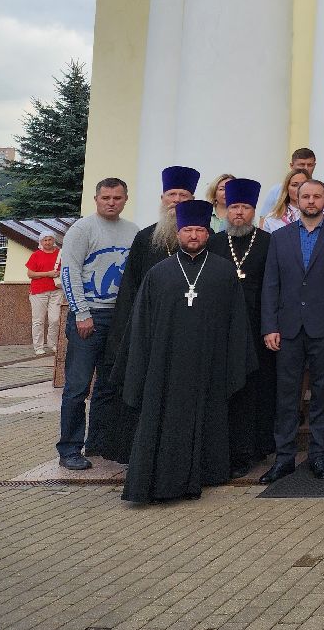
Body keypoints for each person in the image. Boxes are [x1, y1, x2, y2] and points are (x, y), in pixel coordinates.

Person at [120, 200, 255, 504]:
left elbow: (237, 323)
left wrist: (233, 363)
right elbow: (141, 326)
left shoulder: (223, 272)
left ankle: (206, 473)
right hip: (165, 366)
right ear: (178, 233)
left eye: (200, 230)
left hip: (210, 364)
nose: (194, 235)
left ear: (208, 233)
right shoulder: (158, 273)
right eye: (188, 230)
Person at [96, 165, 200, 464]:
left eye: (183, 195)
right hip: (150, 333)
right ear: (162, 198)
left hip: (185, 335)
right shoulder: (145, 239)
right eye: (172, 194)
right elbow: (129, 290)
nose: (177, 200)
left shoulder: (201, 241)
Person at [258, 179, 324, 484]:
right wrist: (270, 326)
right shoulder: (281, 237)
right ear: (296, 199)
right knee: (286, 396)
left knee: (321, 396)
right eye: (305, 196)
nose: (311, 201)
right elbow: (270, 285)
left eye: (316, 196)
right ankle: (284, 458)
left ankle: (318, 454)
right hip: (287, 329)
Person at [55, 178, 135, 471]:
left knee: (108, 385)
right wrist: (81, 312)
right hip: (89, 316)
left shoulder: (132, 231)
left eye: (116, 197)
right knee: (77, 386)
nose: (110, 202)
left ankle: (98, 442)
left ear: (125, 199)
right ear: (96, 199)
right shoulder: (82, 229)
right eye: (105, 197)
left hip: (119, 317)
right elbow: (70, 271)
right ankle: (69, 448)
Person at [208, 178, 276, 476]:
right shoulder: (214, 243)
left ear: (253, 211)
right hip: (222, 330)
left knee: (256, 389)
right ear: (225, 210)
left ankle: (255, 449)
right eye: (234, 206)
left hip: (259, 328)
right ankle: (227, 450)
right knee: (229, 390)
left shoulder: (267, 242)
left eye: (245, 207)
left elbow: (275, 288)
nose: (239, 213)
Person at [26, 231, 62, 356]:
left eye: (50, 239)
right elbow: (30, 274)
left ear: (54, 241)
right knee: (38, 320)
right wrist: (48, 273)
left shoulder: (60, 254)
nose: (47, 242)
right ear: (41, 242)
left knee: (55, 319)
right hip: (38, 292)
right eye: (45, 240)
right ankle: (38, 346)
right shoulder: (36, 255)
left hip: (56, 291)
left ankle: (52, 344)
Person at [261, 148, 316, 219]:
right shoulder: (275, 190)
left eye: (310, 165)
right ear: (291, 166)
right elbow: (263, 220)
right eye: (301, 165)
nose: (306, 168)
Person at [261, 167, 309, 233]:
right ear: (287, 188)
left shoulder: (321, 215)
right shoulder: (272, 218)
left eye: (303, 185)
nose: (299, 189)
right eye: (294, 185)